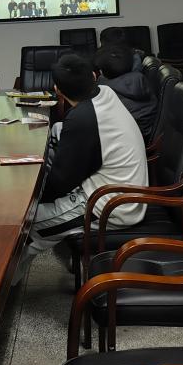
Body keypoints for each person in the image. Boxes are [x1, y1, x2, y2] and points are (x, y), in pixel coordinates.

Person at [13, 54, 147, 283]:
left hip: (111, 207)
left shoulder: (84, 119)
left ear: (58, 90)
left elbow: (61, 181)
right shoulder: (105, 92)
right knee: (57, 130)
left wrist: (35, 201)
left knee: (23, 226)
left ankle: (2, 287)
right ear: (94, 77)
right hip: (121, 188)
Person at [94, 43, 157, 144]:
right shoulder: (140, 80)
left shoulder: (108, 90)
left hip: (128, 140)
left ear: (102, 71)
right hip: (144, 134)